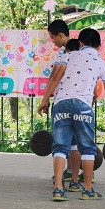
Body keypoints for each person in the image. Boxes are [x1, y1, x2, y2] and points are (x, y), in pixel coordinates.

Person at [38, 28, 105, 201]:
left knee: (60, 147)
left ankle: (58, 189)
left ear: (80, 43)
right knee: (87, 148)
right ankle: (87, 190)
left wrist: (45, 100)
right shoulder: (101, 63)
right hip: (83, 105)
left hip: (61, 104)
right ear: (100, 45)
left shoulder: (68, 56)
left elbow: (55, 79)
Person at [46, 19, 79, 183]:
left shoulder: (63, 55)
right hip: (81, 102)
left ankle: (65, 175)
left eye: (52, 37)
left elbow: (53, 78)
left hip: (63, 101)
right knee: (77, 140)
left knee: (62, 141)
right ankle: (76, 173)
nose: (52, 41)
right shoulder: (82, 51)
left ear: (60, 35)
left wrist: (45, 98)